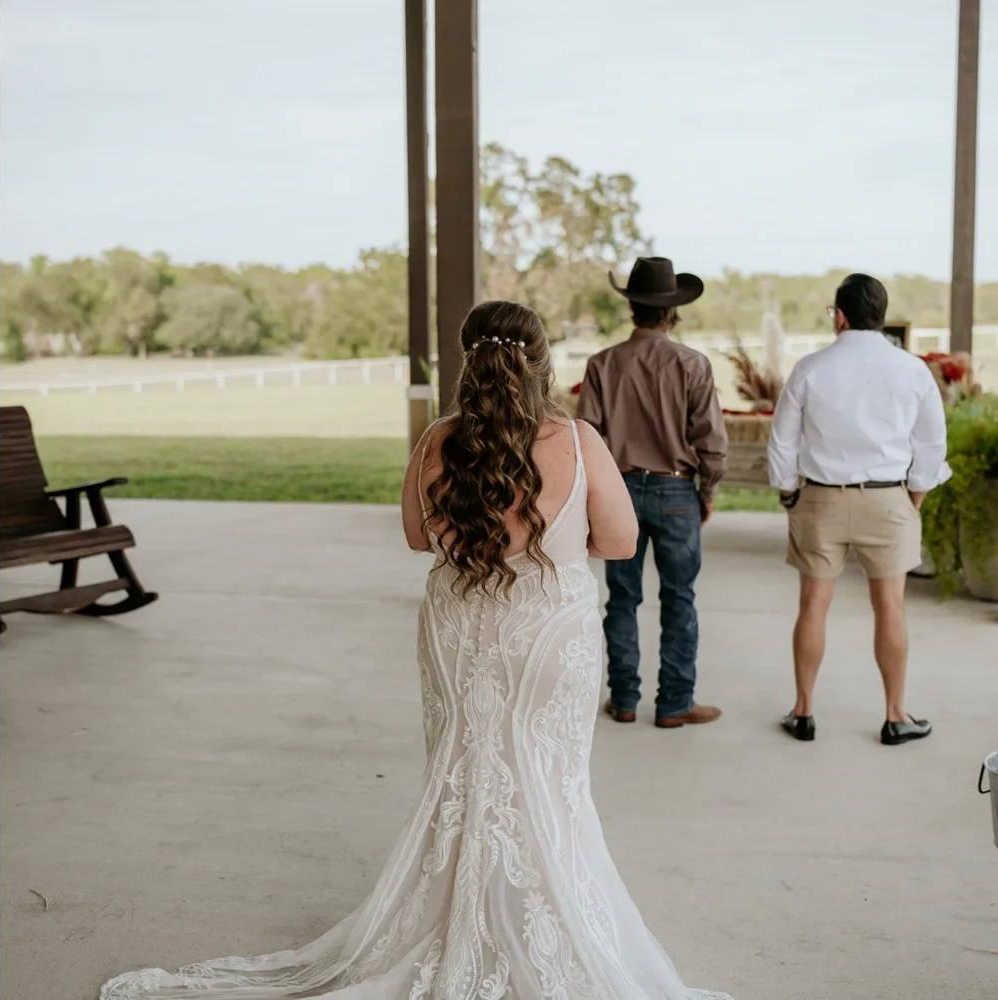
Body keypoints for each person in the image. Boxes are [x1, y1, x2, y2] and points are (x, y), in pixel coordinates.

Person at [100, 300, 733, 1000]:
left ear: (470, 361)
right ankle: (541, 927)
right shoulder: (578, 441)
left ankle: (456, 917)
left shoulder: (439, 439)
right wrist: (553, 539)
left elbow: (413, 534)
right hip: (549, 631)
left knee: (464, 774)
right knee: (550, 784)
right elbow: (616, 543)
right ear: (542, 361)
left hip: (460, 625)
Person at [767, 273, 950, 746]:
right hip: (889, 498)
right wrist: (913, 496)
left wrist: (788, 492)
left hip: (822, 498)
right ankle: (895, 715)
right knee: (889, 606)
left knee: (813, 604)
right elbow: (930, 443)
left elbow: (783, 439)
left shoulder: (810, 367)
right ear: (881, 317)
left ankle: (804, 712)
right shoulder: (911, 370)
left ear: (841, 316)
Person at [576, 257, 728, 729]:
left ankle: (623, 699)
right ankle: (674, 704)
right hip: (676, 490)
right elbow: (710, 439)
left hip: (619, 490)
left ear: (632, 308)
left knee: (622, 600)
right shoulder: (692, 364)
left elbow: (588, 438)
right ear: (670, 313)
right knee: (679, 598)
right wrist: (707, 489)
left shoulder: (602, 364)